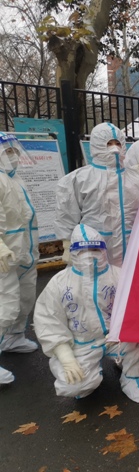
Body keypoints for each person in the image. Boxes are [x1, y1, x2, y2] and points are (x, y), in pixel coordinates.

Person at [34, 224, 139, 402]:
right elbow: (48, 321)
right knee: (75, 386)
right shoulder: (59, 283)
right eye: (83, 250)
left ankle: (133, 376)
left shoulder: (120, 276)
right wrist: (66, 357)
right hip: (82, 342)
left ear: (104, 251)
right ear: (73, 252)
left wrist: (133, 329)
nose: (90, 255)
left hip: (117, 337)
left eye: (95, 249)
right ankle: (87, 376)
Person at [55, 123, 139, 267]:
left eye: (117, 143)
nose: (114, 148)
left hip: (132, 247)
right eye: (109, 143)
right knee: (99, 280)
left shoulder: (136, 178)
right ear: (97, 145)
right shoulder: (80, 179)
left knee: (130, 279)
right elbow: (66, 215)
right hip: (94, 248)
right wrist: (67, 244)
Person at [0, 133, 39, 384]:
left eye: (14, 151)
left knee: (25, 297)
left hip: (24, 250)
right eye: (7, 152)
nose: (13, 156)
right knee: (5, 304)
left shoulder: (14, 178)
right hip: (5, 255)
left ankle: (13, 338)